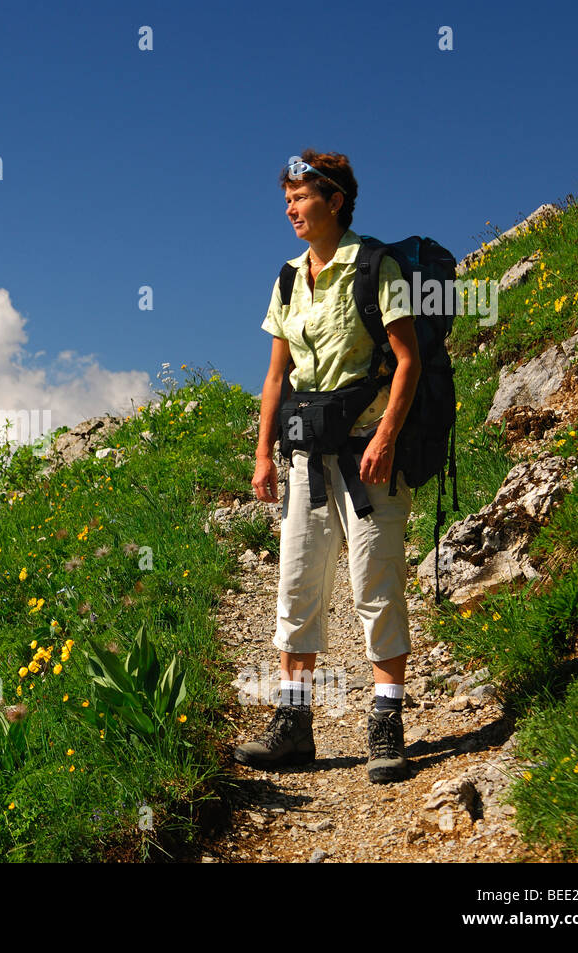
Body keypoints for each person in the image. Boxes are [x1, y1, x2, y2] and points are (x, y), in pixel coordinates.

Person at [234, 149, 421, 784]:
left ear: (335, 201)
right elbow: (276, 374)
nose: (290, 208)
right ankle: (294, 729)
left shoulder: (377, 266)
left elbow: (407, 360)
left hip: (369, 454)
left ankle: (387, 725)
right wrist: (263, 452)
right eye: (286, 197)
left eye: (301, 196)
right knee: (296, 588)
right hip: (303, 459)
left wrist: (387, 435)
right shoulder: (287, 278)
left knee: (376, 584)